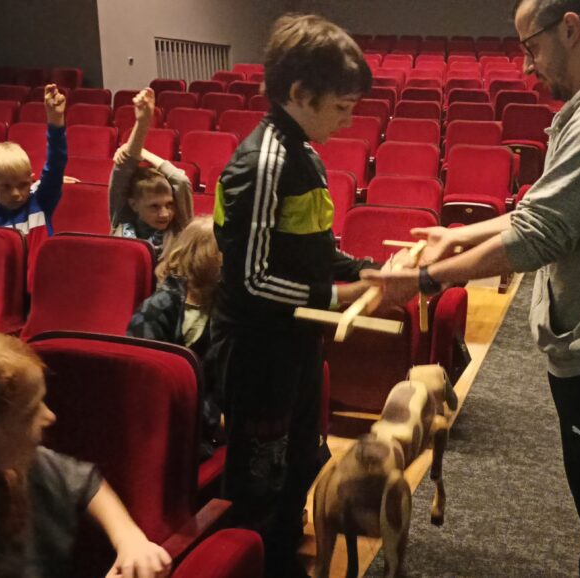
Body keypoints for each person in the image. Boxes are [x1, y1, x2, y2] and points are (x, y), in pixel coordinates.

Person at [365, 1, 580, 576]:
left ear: (570, 28)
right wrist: (459, 234)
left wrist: (425, 279)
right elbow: (546, 208)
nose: (527, 64)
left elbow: (541, 233)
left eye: (531, 46)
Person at [210, 13, 377, 576]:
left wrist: (368, 271)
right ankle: (254, 563)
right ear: (301, 94)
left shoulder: (304, 152)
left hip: (296, 338)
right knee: (260, 475)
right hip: (258, 350)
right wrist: (338, 296)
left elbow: (313, 251)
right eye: (342, 107)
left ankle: (282, 556)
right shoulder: (263, 162)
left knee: (300, 459)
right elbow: (252, 280)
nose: (349, 120)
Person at [0, 326, 172, 578]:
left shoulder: (16, 463)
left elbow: (85, 481)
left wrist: (129, 538)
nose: (50, 416)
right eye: (30, 413)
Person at [127, 215, 223, 459]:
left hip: (204, 424)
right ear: (206, 257)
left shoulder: (225, 309)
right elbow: (144, 382)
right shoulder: (157, 308)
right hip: (161, 424)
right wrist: (212, 419)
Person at [0, 84, 67, 246]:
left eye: (23, 185)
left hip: (42, 263)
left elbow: (56, 163)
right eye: (6, 187)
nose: (16, 194)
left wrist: (55, 120)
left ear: (31, 180)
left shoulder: (40, 200)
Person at [109, 88, 193, 259]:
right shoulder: (122, 221)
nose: (165, 214)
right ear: (133, 204)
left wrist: (144, 152)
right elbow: (123, 170)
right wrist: (142, 122)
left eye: (169, 205)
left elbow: (181, 181)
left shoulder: (179, 230)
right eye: (154, 206)